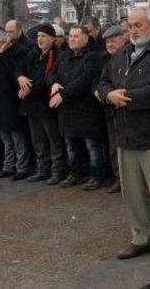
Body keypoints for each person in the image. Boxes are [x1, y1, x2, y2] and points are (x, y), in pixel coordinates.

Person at [96, 8, 150, 268]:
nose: (133, 30)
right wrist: (108, 95)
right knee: (132, 193)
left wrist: (123, 98)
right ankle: (141, 237)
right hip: (126, 134)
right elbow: (103, 82)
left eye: (139, 25)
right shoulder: (121, 54)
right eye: (130, 25)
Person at [48, 25, 105, 191]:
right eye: (70, 36)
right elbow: (51, 72)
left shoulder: (93, 57)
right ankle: (75, 173)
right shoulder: (64, 55)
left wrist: (63, 94)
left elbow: (84, 80)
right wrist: (54, 83)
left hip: (87, 109)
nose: (71, 39)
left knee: (91, 146)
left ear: (86, 38)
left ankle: (95, 176)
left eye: (76, 36)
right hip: (67, 110)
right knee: (71, 146)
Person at [17, 24, 67, 185]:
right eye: (38, 36)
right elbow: (19, 68)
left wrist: (29, 89)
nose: (40, 39)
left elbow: (49, 79)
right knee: (38, 141)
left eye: (44, 36)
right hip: (33, 105)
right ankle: (42, 169)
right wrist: (20, 78)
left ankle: (57, 171)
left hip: (48, 106)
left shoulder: (58, 55)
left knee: (54, 141)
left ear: (53, 38)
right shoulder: (33, 54)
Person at [0, 29, 30, 179]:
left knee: (17, 138)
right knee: (5, 138)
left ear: (4, 42)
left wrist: (3, 53)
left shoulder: (17, 52)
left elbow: (13, 70)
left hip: (12, 101)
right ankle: (8, 165)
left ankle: (22, 167)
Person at [96, 25, 128, 194]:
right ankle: (118, 178)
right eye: (108, 41)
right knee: (114, 147)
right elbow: (100, 82)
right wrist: (106, 94)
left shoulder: (130, 56)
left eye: (114, 40)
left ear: (123, 39)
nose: (110, 44)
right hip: (109, 109)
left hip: (126, 108)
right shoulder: (103, 59)